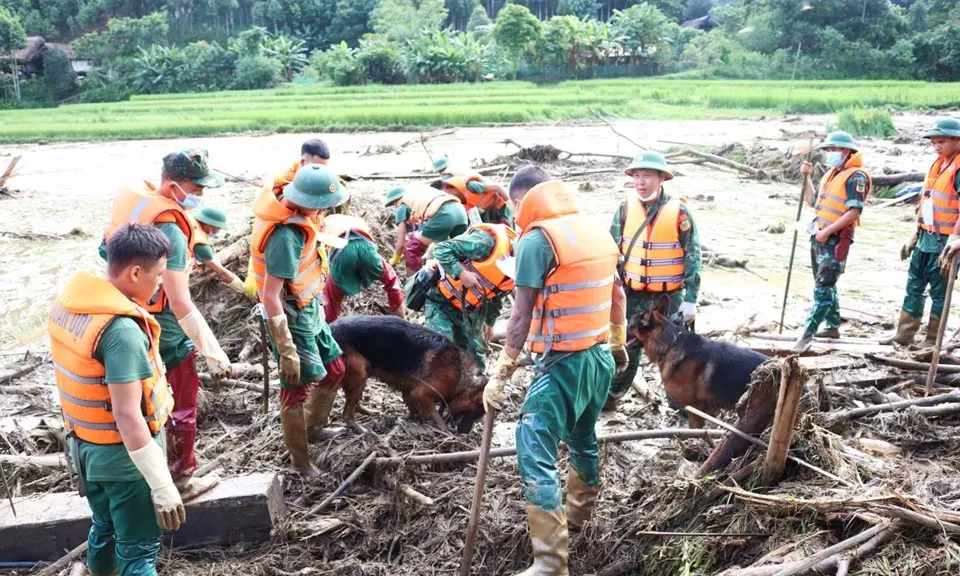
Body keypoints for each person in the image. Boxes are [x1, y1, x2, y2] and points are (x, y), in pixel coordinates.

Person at [482, 166, 627, 576]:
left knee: (535, 450)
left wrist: (503, 370)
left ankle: (549, 562)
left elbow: (521, 313)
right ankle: (579, 516)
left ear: (519, 201)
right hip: (597, 358)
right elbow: (617, 292)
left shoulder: (536, 239)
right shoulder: (595, 229)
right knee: (582, 436)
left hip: (561, 364)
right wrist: (617, 342)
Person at [52, 223, 184, 576]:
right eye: (157, 276)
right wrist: (160, 482)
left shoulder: (74, 304)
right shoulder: (121, 332)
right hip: (125, 460)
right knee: (139, 551)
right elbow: (128, 415)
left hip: (86, 450)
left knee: (105, 529)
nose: (160, 284)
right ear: (135, 271)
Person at [101, 149, 228, 501]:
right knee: (180, 398)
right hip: (164, 327)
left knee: (138, 402)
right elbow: (179, 299)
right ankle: (182, 478)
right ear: (174, 186)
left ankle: (147, 473)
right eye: (196, 187)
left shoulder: (140, 204)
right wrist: (211, 350)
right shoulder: (170, 230)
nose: (201, 195)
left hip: (127, 309)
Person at [251, 164, 348, 476]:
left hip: (310, 307)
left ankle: (315, 426)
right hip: (289, 317)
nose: (327, 209)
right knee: (295, 387)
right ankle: (301, 462)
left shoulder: (302, 212)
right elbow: (270, 295)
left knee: (335, 369)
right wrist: (287, 349)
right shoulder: (285, 237)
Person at [604, 151, 701, 410]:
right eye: (636, 176)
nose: (641, 182)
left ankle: (682, 404)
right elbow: (610, 249)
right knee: (625, 346)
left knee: (676, 352)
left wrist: (691, 300)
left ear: (661, 178)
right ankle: (611, 396)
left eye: (647, 176)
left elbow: (693, 256)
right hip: (633, 294)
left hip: (668, 297)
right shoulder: (624, 210)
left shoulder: (680, 213)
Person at [792, 132, 871, 353]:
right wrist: (806, 178)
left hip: (835, 240)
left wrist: (828, 232)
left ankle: (807, 334)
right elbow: (813, 201)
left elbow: (854, 211)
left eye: (833, 150)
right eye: (827, 151)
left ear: (846, 151)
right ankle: (833, 326)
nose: (829, 155)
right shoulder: (831, 174)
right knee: (825, 283)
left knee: (823, 287)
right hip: (818, 236)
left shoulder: (856, 177)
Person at [884, 118, 960, 347]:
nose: (937, 146)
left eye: (942, 142)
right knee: (914, 285)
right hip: (926, 237)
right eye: (934, 142)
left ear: (957, 140)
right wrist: (914, 236)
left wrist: (956, 238)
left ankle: (931, 341)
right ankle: (904, 334)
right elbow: (928, 204)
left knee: (939, 291)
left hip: (946, 241)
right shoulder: (938, 166)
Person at [422, 223, 516, 373]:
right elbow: (441, 249)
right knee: (438, 349)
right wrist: (461, 273)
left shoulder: (523, 270)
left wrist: (490, 321)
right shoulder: (484, 243)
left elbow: (499, 294)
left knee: (476, 358)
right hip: (441, 300)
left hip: (471, 311)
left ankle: (475, 392)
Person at [319, 212, 406, 323]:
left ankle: (331, 327)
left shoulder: (324, 223)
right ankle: (401, 318)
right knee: (391, 281)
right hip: (367, 249)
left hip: (342, 254)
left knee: (331, 297)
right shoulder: (354, 219)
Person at [384, 184, 468, 274]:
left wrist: (396, 257)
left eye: (393, 204)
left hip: (443, 215)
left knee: (411, 248)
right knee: (455, 250)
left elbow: (401, 243)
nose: (395, 206)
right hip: (461, 213)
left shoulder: (402, 204)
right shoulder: (419, 198)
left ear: (395, 201)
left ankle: (414, 284)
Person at [190, 206, 249, 296]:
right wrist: (244, 289)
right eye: (218, 228)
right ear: (209, 224)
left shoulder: (190, 221)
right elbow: (222, 273)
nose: (218, 232)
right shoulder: (200, 244)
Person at [435, 173, 513, 226]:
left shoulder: (470, 186)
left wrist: (511, 205)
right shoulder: (456, 204)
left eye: (444, 194)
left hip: (502, 208)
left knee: (509, 229)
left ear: (448, 188)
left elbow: (497, 187)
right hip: (489, 214)